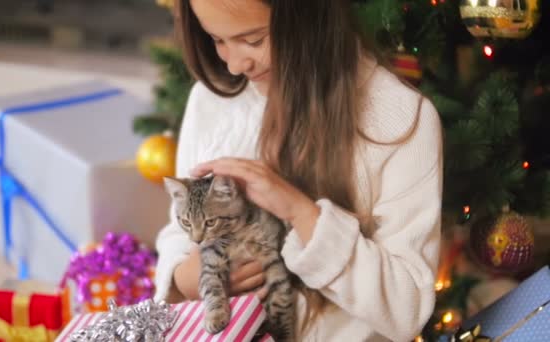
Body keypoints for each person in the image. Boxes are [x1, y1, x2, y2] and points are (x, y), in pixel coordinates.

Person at [153, 0, 444, 341]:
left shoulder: (400, 120)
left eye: (253, 40)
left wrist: (302, 214)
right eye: (217, 40)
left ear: (309, 16)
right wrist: (182, 278)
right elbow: (178, 229)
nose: (234, 65)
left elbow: (405, 310)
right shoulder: (211, 100)